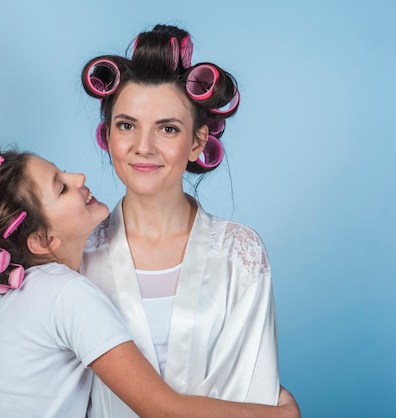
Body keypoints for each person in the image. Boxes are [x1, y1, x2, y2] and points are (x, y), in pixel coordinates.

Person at [0, 142, 300, 417]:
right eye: (61, 187)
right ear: (44, 240)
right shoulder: (68, 293)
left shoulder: (5, 297)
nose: (78, 178)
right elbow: (161, 408)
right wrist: (279, 415)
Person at [80, 24, 293, 417]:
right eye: (127, 125)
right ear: (107, 135)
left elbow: (252, 386)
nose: (143, 147)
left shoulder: (239, 254)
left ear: (198, 141)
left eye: (168, 128)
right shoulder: (78, 255)